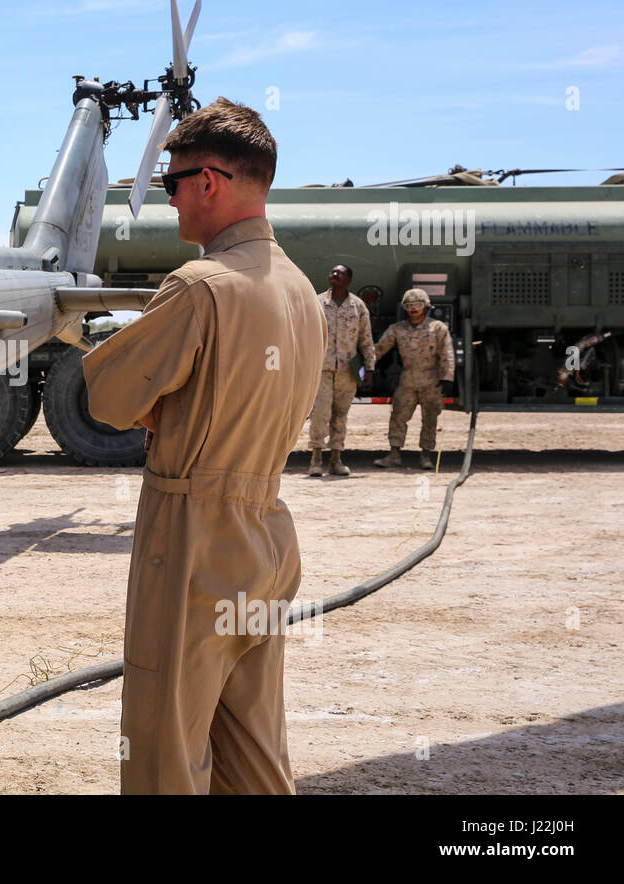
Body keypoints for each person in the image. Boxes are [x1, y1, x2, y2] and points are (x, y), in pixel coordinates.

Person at [82, 98, 325, 794]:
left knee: (165, 758)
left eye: (171, 183)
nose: (171, 200)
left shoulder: (200, 287)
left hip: (192, 543)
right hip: (265, 537)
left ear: (210, 182)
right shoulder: (302, 290)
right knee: (254, 758)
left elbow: (108, 397)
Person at [372, 288, 455, 470]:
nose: (413, 310)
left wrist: (448, 378)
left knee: (430, 419)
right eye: (409, 306)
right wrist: (365, 367)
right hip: (408, 379)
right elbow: (379, 349)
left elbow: (447, 354)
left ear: (425, 307)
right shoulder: (397, 329)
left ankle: (425, 456)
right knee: (398, 417)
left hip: (431, 381)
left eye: (417, 306)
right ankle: (394, 455)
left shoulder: (438, 328)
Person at [306, 264, 376, 476]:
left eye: (340, 273)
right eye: (332, 272)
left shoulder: (357, 306)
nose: (334, 275)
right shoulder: (316, 302)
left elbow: (366, 339)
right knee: (319, 414)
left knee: (341, 416)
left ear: (348, 279)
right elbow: (306, 336)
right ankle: (316, 459)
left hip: (348, 371)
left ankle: (336, 459)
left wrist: (369, 368)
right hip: (322, 369)